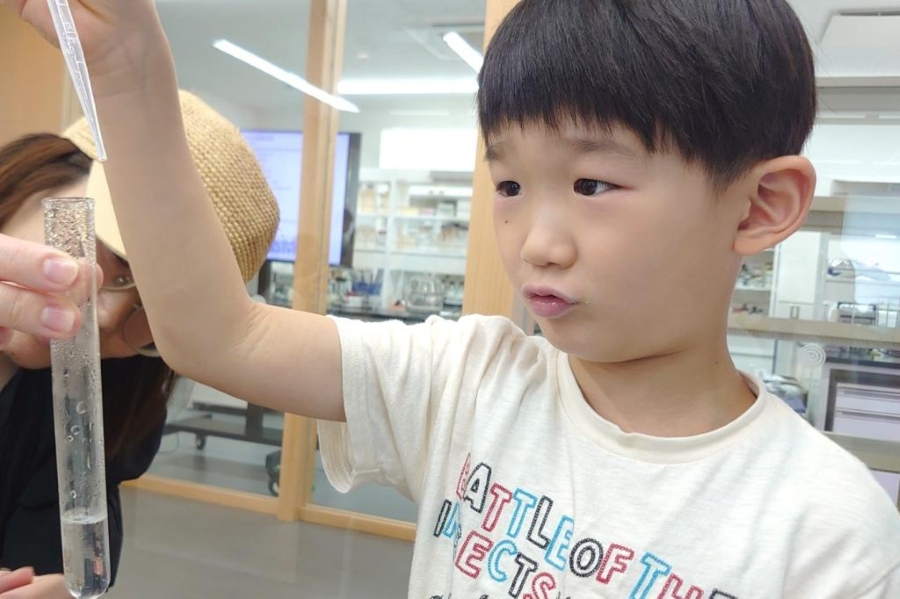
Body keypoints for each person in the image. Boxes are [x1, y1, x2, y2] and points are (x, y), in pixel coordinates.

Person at [3, 0, 899, 597]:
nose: (536, 241)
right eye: (509, 186)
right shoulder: (470, 377)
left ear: (761, 204)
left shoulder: (827, 525)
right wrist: (126, 74)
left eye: (593, 184)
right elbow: (217, 334)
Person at [0, 92, 278, 597]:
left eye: (151, 310)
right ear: (37, 179)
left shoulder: (107, 404)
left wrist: (65, 589)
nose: (103, 315)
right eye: (112, 259)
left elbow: (65, 559)